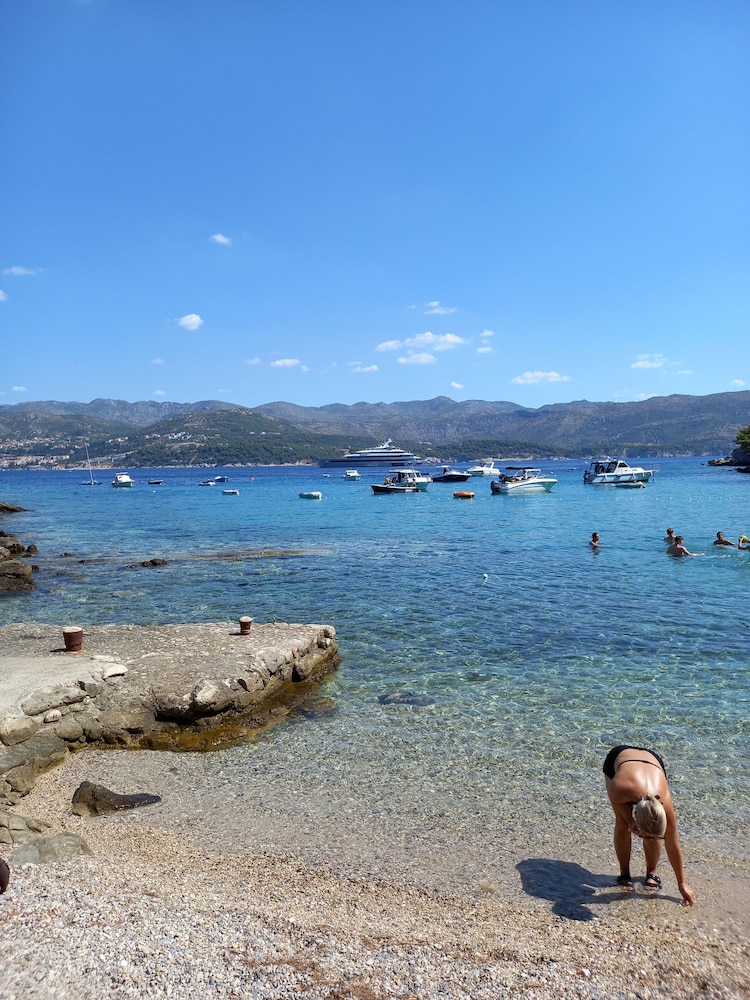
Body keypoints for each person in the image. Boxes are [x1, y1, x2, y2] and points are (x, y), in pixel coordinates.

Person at [603, 745, 695, 905]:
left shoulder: (665, 803)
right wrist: (630, 821)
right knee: (623, 825)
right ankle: (624, 873)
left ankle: (652, 872)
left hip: (653, 761)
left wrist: (682, 883)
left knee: (653, 831)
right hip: (619, 759)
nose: (648, 839)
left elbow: (672, 843)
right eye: (645, 836)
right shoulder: (619, 790)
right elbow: (615, 799)